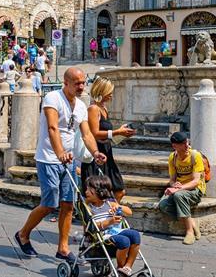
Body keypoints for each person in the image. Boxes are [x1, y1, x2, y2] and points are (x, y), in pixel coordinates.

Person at [14, 67, 106, 264]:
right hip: (48, 158)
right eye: (77, 83)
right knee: (49, 204)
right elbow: (53, 127)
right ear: (66, 83)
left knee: (68, 204)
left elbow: (87, 134)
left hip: (69, 161)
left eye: (83, 83)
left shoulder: (81, 106)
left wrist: (96, 152)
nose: (81, 86)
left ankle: (63, 248)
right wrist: (59, 153)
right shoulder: (52, 99)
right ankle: (23, 234)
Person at [80, 77, 135, 201]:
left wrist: (120, 132)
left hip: (107, 151)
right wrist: (117, 132)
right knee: (96, 192)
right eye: (109, 91)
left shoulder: (104, 109)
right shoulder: (93, 109)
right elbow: (94, 133)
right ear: (102, 91)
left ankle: (108, 215)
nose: (111, 95)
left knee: (119, 190)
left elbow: (105, 132)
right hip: (96, 152)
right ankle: (95, 217)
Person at [84, 175, 141, 276]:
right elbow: (92, 226)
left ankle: (127, 267)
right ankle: (120, 268)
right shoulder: (89, 207)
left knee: (135, 235)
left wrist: (118, 208)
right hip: (102, 235)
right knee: (124, 241)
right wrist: (109, 222)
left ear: (99, 192)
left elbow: (129, 212)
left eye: (89, 190)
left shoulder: (109, 204)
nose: (86, 192)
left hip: (115, 231)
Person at [158, 131, 204, 245]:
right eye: (183, 143)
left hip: (195, 190)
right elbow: (172, 179)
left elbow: (195, 181)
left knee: (179, 195)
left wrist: (179, 188)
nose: (187, 145)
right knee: (163, 205)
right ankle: (191, 222)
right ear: (174, 146)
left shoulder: (195, 156)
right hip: (180, 189)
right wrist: (174, 185)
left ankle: (189, 232)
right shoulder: (172, 157)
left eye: (187, 142)